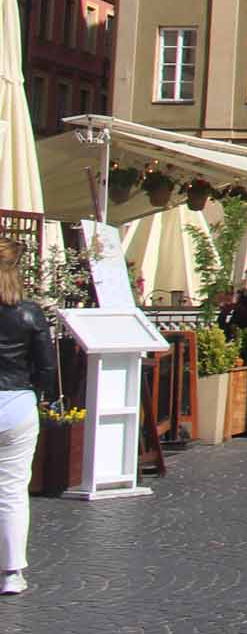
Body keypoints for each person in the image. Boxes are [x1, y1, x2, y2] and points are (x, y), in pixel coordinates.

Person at [0, 242, 56, 596]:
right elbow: (47, 367)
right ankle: (11, 573)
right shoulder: (30, 312)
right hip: (18, 402)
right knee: (12, 492)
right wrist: (39, 396)